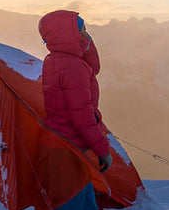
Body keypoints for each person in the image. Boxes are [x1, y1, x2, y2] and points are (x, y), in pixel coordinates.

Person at [38, 10, 113, 173]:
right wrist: (103, 151)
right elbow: (82, 116)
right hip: (69, 149)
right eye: (83, 31)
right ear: (69, 35)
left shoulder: (56, 60)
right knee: (76, 197)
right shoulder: (72, 68)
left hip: (61, 144)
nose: (88, 35)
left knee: (83, 197)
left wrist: (85, 42)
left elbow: (93, 68)